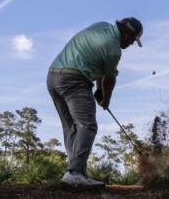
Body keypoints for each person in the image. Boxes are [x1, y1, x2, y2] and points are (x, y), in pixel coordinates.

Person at [47, 17, 143, 187]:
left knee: (72, 127)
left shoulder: (101, 26)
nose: (131, 44)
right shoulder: (114, 50)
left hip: (53, 77)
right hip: (74, 80)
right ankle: (75, 173)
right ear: (127, 33)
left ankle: (77, 173)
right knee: (87, 125)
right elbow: (109, 79)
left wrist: (98, 90)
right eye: (132, 40)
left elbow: (99, 66)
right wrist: (105, 100)